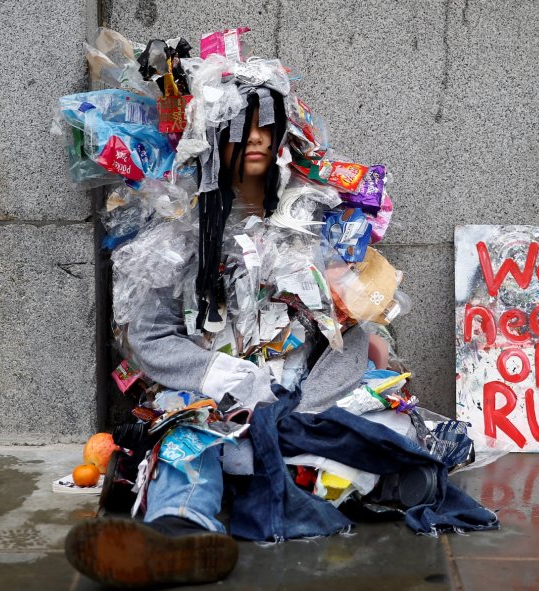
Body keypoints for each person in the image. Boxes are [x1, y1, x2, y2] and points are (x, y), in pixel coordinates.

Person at [60, 33, 498, 588]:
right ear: (210, 137)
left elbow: (348, 324)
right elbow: (151, 337)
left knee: (378, 432)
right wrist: (222, 376)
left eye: (269, 125)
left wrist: (332, 362)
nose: (259, 139)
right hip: (215, 399)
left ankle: (376, 485)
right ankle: (178, 536)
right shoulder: (177, 237)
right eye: (243, 126)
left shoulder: (310, 223)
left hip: (304, 403)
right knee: (187, 443)